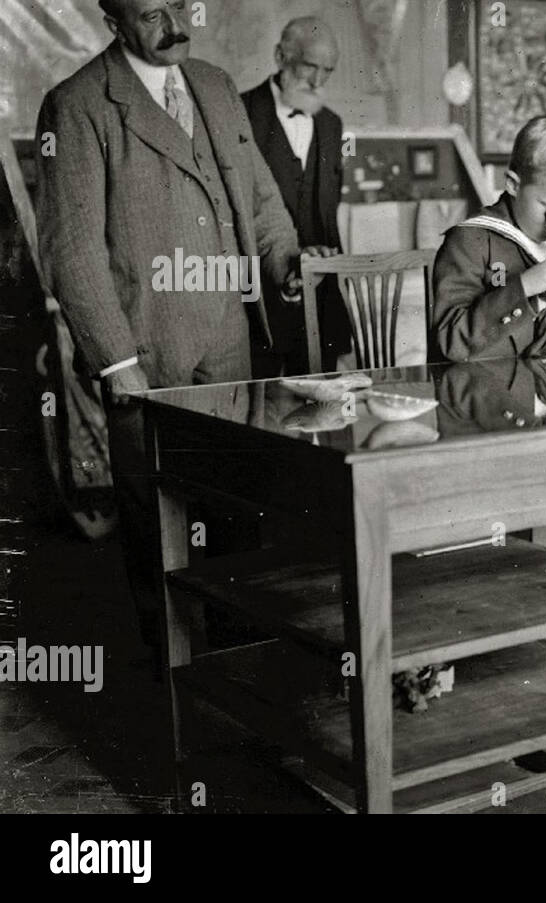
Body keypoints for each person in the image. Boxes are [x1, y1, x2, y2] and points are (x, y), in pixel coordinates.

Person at [35, 0, 304, 654]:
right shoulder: (78, 105)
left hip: (231, 346)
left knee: (237, 515)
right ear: (112, 19)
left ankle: (243, 671)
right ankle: (175, 700)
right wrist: (116, 362)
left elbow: (262, 198)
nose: (174, 24)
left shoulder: (212, 86)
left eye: (181, 5)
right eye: (152, 13)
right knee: (162, 538)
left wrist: (284, 259)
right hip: (148, 359)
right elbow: (72, 250)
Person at [430, 115, 546, 362]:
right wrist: (522, 288)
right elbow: (451, 342)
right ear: (514, 185)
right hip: (485, 392)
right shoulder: (470, 241)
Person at [242, 16, 346, 376]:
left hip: (322, 304)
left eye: (327, 71)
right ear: (280, 56)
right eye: (310, 67)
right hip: (259, 306)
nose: (318, 82)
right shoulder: (238, 116)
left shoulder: (332, 125)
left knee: (327, 415)